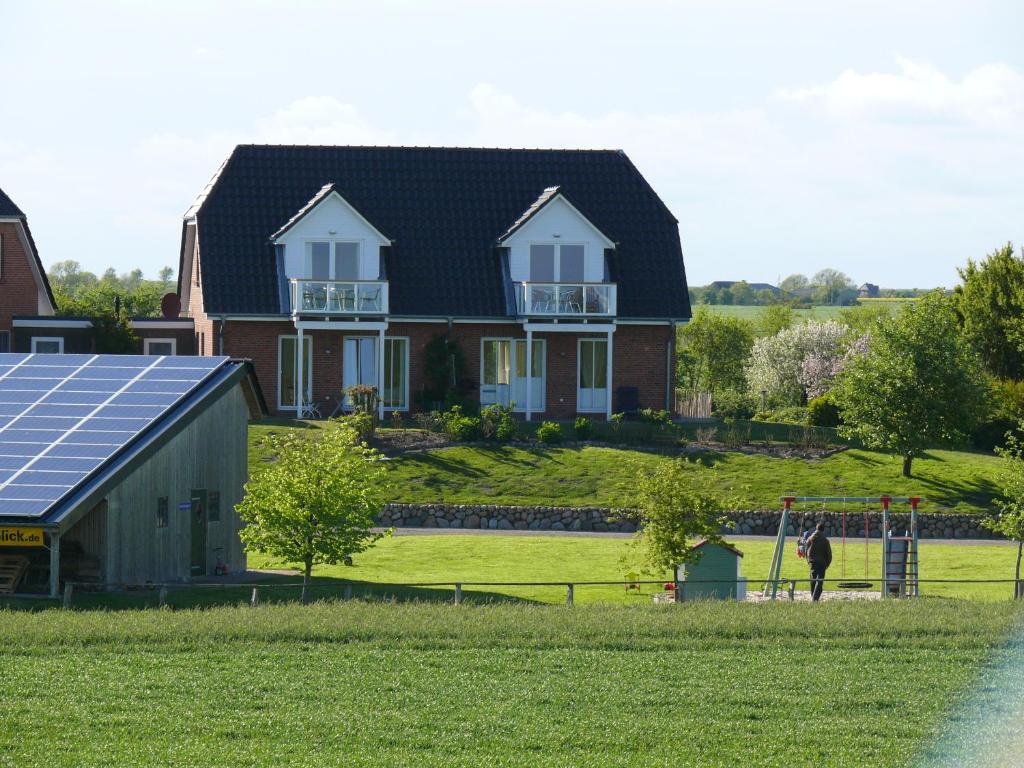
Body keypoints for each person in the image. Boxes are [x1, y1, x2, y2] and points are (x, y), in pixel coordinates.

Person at [805, 522, 832, 602]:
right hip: (822, 563)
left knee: (812, 580)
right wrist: (828, 563)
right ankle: (815, 599)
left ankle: (813, 596)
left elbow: (806, 550)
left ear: (816, 529)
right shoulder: (825, 540)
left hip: (812, 562)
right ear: (823, 530)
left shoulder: (810, 538)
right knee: (819, 581)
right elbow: (829, 554)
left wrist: (808, 561)